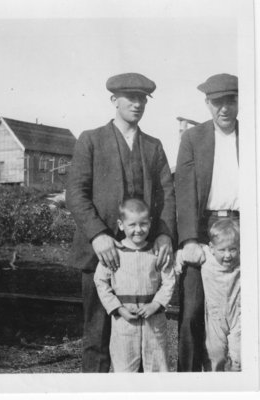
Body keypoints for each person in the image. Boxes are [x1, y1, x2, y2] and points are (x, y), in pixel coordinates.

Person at [67, 72, 176, 373]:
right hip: (100, 253)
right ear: (114, 100)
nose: (137, 104)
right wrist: (98, 235)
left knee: (143, 339)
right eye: (131, 97)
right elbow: (75, 193)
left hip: (143, 258)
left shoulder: (153, 146)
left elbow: (167, 194)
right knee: (98, 338)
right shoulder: (91, 140)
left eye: (143, 99)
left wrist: (165, 234)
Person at [175, 73, 239, 371]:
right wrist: (188, 240)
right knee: (192, 312)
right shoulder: (193, 138)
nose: (224, 109)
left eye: (231, 101)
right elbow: (185, 191)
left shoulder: (252, 133)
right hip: (204, 230)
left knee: (243, 312)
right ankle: (188, 383)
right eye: (217, 103)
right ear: (207, 104)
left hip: (244, 227)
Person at [94, 198, 175, 372]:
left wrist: (156, 304)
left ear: (150, 223)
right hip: (124, 320)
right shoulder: (114, 253)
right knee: (124, 369)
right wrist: (118, 308)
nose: (138, 230)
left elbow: (169, 280)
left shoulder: (156, 251)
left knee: (157, 368)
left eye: (143, 224)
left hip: (153, 319)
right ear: (121, 225)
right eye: (132, 225)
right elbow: (100, 281)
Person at [201, 219, 241, 371]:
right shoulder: (206, 257)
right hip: (215, 317)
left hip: (237, 314)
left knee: (239, 353)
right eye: (222, 250)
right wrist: (178, 260)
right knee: (215, 353)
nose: (228, 255)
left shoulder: (242, 262)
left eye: (233, 249)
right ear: (212, 248)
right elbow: (186, 253)